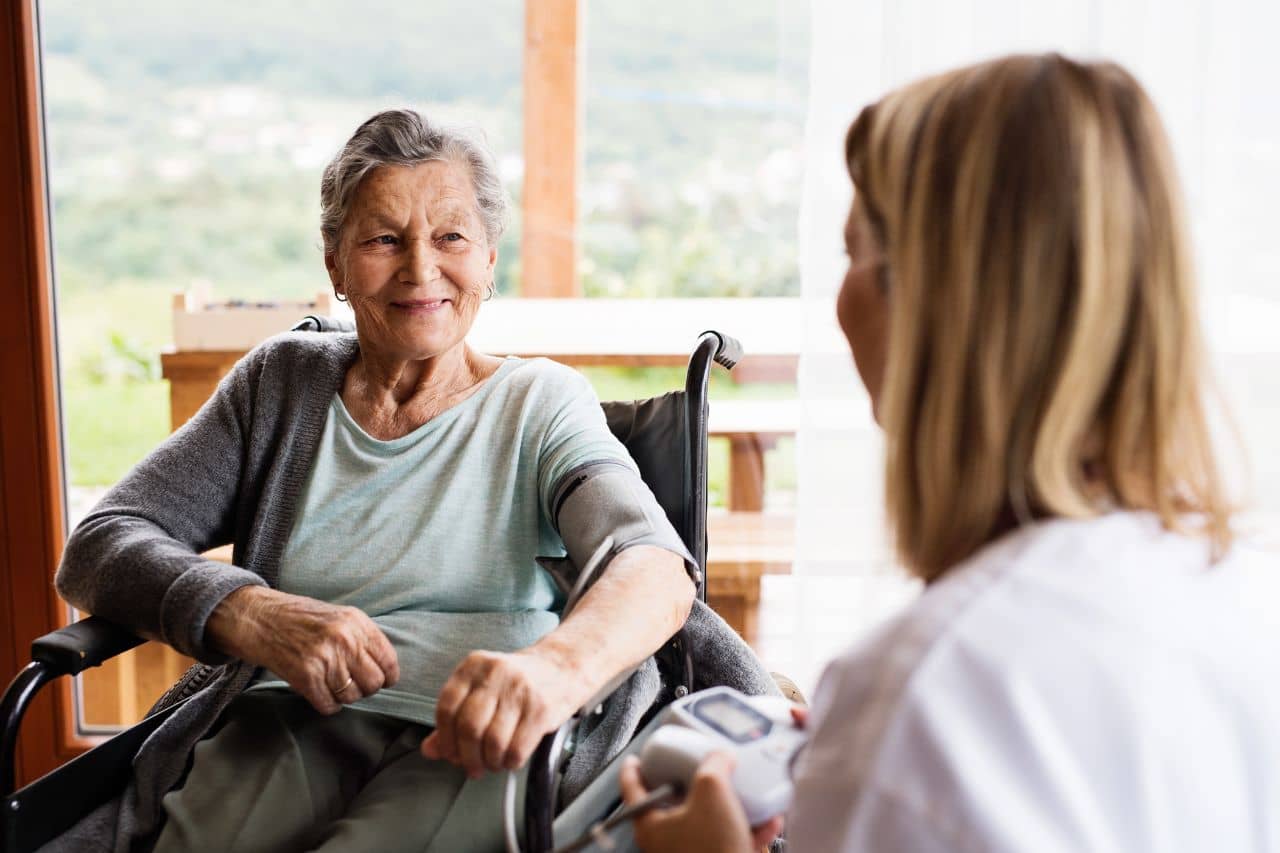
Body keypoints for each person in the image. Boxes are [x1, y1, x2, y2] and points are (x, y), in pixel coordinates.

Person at [49, 109, 776, 853]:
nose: (421, 269)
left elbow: (650, 566)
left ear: (489, 259)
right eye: (383, 239)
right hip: (284, 716)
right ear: (334, 263)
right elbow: (102, 542)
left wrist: (555, 671)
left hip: (473, 734)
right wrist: (250, 612)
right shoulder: (281, 385)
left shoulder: (539, 402)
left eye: (451, 237)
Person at [621, 53, 1280, 851]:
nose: (839, 303)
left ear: (933, 302)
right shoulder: (1233, 589)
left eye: (851, 254)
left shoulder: (928, 696)